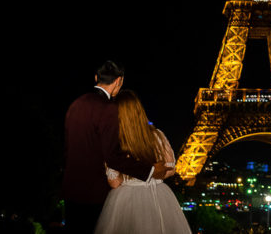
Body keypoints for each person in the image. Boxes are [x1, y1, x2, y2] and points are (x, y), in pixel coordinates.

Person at [62, 61, 170, 233]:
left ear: (96, 77)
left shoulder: (76, 104)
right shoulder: (109, 108)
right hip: (95, 193)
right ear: (119, 81)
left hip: (72, 190)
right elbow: (112, 157)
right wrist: (150, 171)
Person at [94, 89, 191, 234]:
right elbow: (171, 170)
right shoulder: (157, 135)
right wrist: (153, 173)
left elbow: (114, 182)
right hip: (158, 195)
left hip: (127, 198)